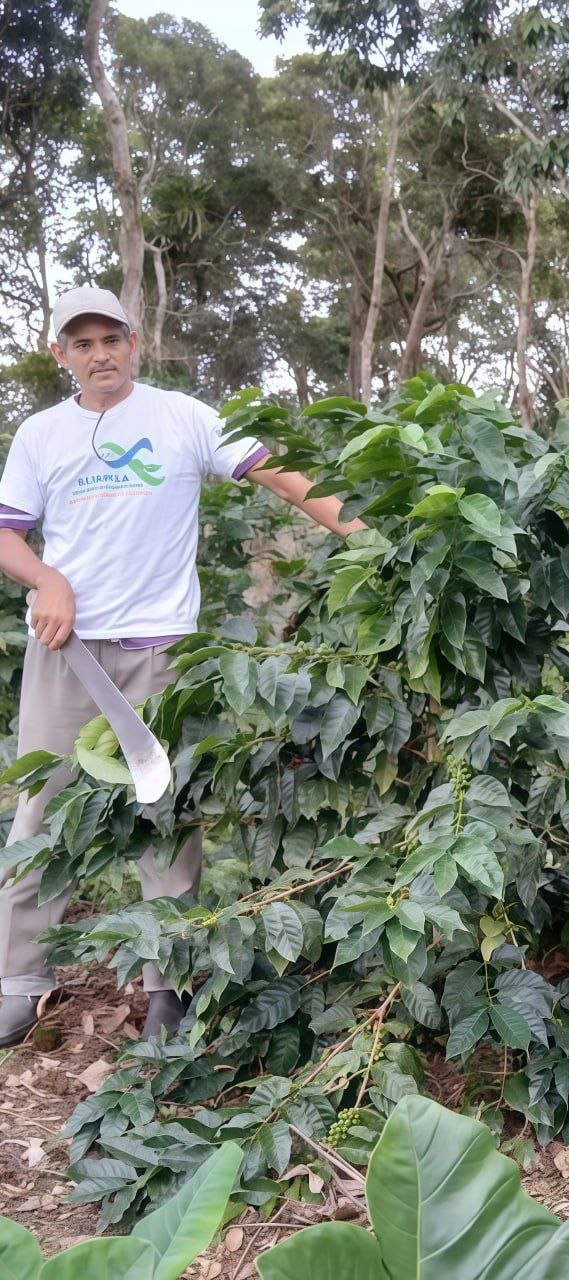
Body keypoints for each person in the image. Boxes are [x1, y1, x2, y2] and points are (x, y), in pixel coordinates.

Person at [0, 285, 365, 1047]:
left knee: (165, 809)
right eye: (82, 343)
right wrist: (46, 578)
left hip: (163, 651)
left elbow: (280, 474)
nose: (100, 355)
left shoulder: (184, 417)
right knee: (42, 809)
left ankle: (168, 981)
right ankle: (20, 981)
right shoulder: (40, 434)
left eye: (112, 339)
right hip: (67, 650)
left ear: (134, 343)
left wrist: (368, 536)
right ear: (60, 354)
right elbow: (7, 534)